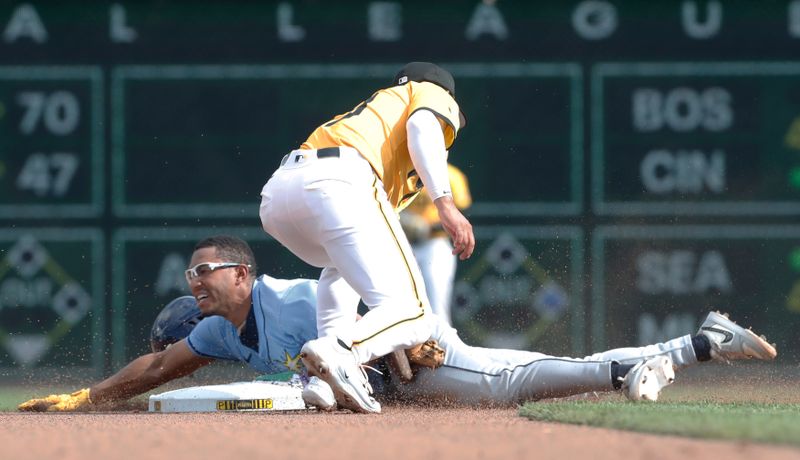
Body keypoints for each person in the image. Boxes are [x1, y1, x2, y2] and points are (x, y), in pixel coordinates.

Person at [18, 235, 777, 413]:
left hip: (408, 349)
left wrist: (388, 332)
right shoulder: (219, 333)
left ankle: (688, 345)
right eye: (192, 283)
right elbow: (155, 371)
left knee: (510, 383)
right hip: (383, 378)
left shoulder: (284, 295)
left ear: (240, 274)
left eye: (205, 275)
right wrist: (89, 399)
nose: (196, 287)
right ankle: (687, 344)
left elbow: (353, 276)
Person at [258, 62, 475, 413]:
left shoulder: (371, 123)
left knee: (339, 272)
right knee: (416, 314)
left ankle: (323, 381)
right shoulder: (427, 91)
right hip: (340, 178)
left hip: (280, 196)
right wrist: (444, 203)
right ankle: (343, 352)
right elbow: (422, 124)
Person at [400, 163, 472, 325]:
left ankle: (442, 347)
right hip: (402, 245)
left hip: (434, 245)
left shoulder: (451, 175)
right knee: (400, 304)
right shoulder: (403, 172)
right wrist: (405, 222)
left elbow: (463, 213)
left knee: (436, 302)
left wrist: (427, 228)